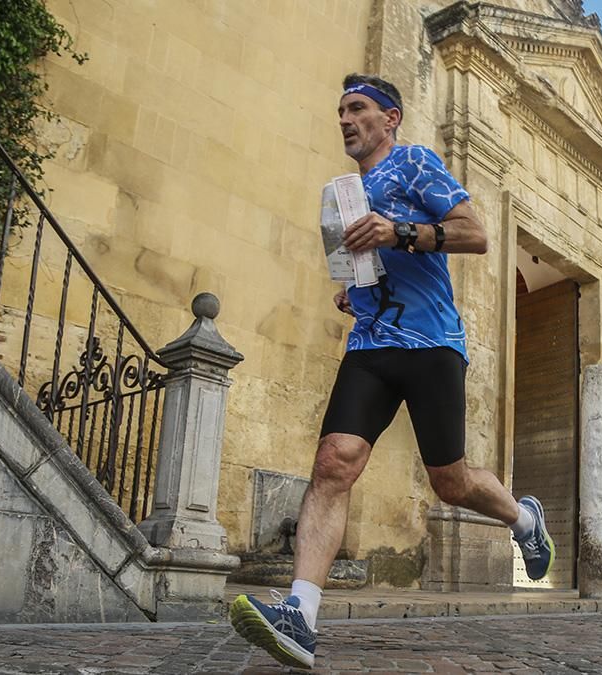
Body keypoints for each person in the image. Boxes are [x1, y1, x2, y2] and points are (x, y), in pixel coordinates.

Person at [228, 73, 554, 670]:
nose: (345, 120)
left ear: (390, 118)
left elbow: (476, 235)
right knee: (334, 463)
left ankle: (523, 518)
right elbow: (368, 265)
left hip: (432, 343)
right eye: (340, 111)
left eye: (357, 108)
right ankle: (301, 616)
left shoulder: (415, 163)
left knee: (449, 482)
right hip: (371, 343)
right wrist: (356, 292)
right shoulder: (347, 192)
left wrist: (399, 231)